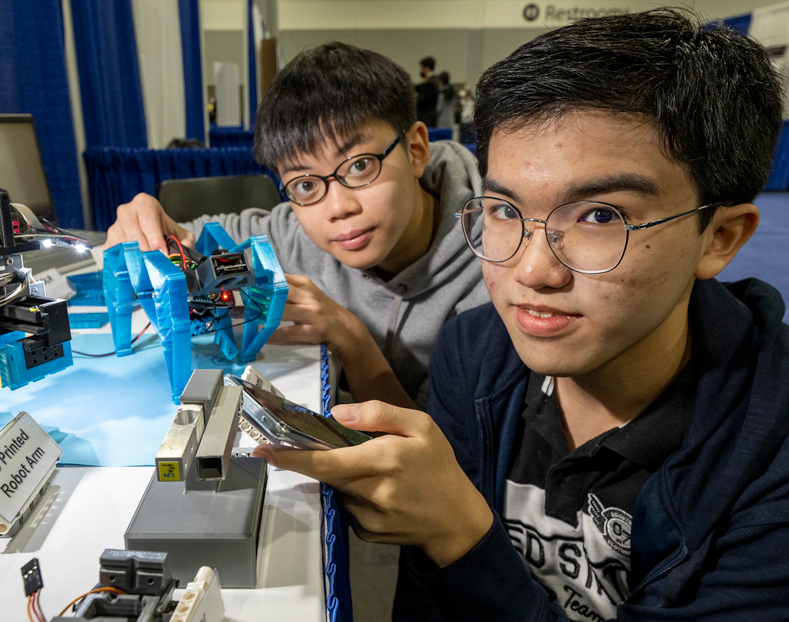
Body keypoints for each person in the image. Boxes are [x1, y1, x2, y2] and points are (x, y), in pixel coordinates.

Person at [253, 9, 789, 621]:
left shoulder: (767, 464)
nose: (533, 272)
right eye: (504, 210)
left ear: (719, 237)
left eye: (598, 216)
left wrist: (462, 538)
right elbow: (426, 605)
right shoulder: (476, 353)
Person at [106, 43, 488, 410]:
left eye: (359, 166)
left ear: (416, 150)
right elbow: (194, 237)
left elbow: (442, 458)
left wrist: (350, 339)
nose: (338, 208)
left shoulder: (495, 272)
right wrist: (149, 223)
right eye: (306, 184)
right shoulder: (293, 232)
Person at [415, 56, 439, 127]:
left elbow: (421, 101)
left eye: (422, 68)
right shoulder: (434, 81)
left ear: (426, 68)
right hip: (429, 118)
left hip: (426, 119)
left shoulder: (430, 84)